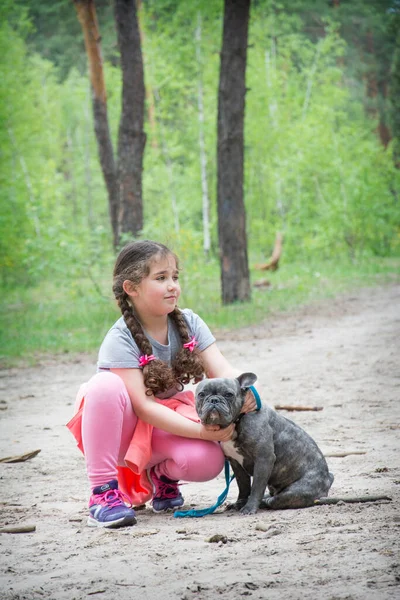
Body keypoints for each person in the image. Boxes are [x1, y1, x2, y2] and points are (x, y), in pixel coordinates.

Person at [67, 240, 258, 528]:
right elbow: (143, 408)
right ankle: (103, 493)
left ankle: (162, 475)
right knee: (103, 385)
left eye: (175, 277)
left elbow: (223, 369)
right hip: (124, 431)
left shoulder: (190, 322)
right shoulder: (120, 339)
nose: (173, 286)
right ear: (131, 288)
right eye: (161, 278)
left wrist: (248, 390)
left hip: (161, 429)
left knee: (207, 461)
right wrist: (200, 431)